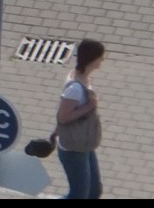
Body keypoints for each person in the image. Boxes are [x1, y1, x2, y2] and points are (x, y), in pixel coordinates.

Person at [55, 38, 106, 199]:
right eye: (101, 57)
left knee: (93, 191)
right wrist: (88, 107)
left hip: (84, 142)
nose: (103, 60)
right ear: (93, 59)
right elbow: (62, 117)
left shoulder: (81, 77)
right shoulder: (75, 89)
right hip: (73, 147)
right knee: (78, 195)